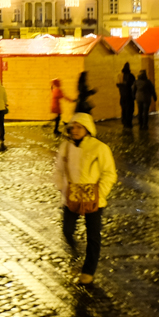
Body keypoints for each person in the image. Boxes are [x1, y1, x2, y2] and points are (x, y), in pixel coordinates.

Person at [53, 112, 117, 286]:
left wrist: (100, 193)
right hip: (71, 197)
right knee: (67, 230)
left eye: (79, 127)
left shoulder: (99, 148)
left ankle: (88, 271)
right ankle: (76, 253)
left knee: (93, 236)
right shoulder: (65, 146)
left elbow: (109, 173)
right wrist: (63, 188)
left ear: (87, 129)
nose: (75, 130)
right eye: (73, 127)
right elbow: (58, 169)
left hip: (94, 198)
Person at [116, 63, 135, 128]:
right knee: (129, 110)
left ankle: (124, 122)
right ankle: (128, 123)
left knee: (123, 109)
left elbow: (117, 84)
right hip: (129, 96)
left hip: (122, 96)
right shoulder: (131, 76)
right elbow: (134, 85)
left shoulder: (120, 76)